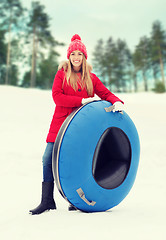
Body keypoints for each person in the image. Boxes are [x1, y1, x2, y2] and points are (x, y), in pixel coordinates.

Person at [29, 34, 124, 215]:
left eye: (80, 54)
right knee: (47, 158)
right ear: (69, 56)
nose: (76, 57)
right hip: (60, 124)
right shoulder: (61, 75)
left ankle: (75, 200)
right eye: (73, 54)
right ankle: (47, 200)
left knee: (77, 161)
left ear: (84, 57)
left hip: (81, 128)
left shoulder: (91, 78)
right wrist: (80, 100)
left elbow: (105, 93)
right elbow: (57, 97)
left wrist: (116, 101)